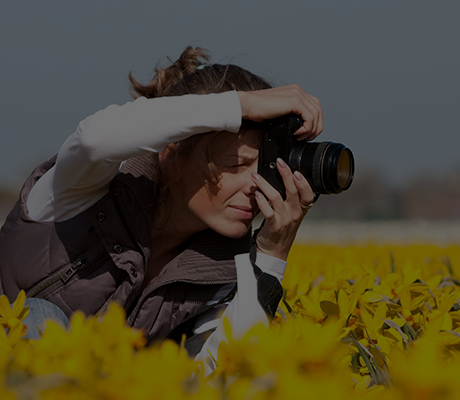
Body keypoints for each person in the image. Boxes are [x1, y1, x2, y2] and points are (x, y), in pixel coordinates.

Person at [0, 47, 322, 374]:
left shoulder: (224, 267)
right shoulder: (85, 189)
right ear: (171, 154)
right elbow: (94, 141)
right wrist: (240, 105)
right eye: (235, 164)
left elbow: (221, 370)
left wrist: (271, 253)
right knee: (40, 317)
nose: (256, 185)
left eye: (265, 169)